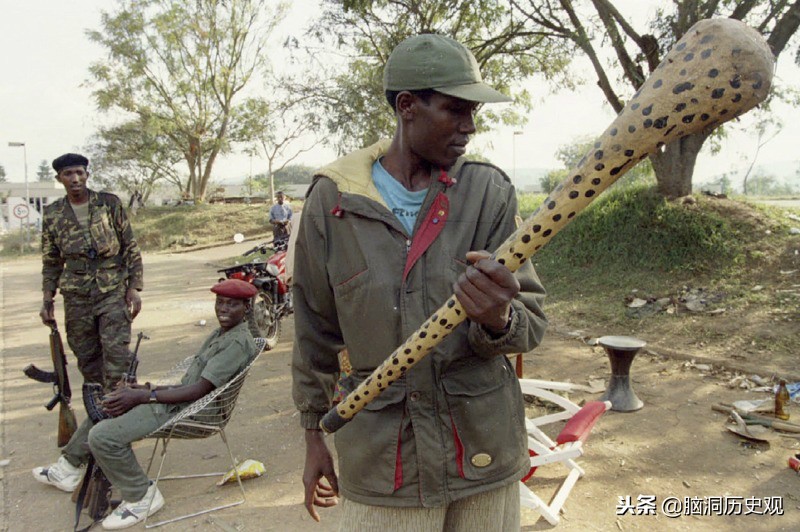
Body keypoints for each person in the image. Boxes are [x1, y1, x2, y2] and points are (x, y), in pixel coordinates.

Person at [291, 34, 548, 530]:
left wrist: (498, 318)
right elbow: (313, 330)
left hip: (482, 450)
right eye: (455, 110)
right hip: (385, 463)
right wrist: (312, 436)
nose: (469, 127)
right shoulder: (334, 201)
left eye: (473, 112)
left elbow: (530, 322)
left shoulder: (486, 191)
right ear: (407, 106)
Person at [35, 279, 259, 530]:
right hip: (181, 404)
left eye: (232, 304)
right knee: (109, 405)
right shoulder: (222, 333)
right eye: (220, 302)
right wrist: (145, 389)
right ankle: (69, 466)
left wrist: (144, 397)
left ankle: (142, 496)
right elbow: (191, 384)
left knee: (102, 436)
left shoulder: (237, 342)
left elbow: (199, 390)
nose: (223, 309)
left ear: (247, 308)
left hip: (193, 413)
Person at [33, 153, 144, 491]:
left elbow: (130, 247)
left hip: (112, 292)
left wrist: (134, 288)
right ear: (60, 179)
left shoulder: (109, 204)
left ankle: (84, 454)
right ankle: (105, 436)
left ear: (87, 174)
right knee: (90, 369)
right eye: (69, 174)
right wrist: (47, 298)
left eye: (80, 172)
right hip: (77, 297)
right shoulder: (52, 214)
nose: (76, 179)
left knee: (116, 368)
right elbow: (51, 260)